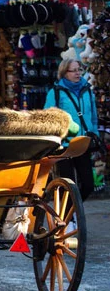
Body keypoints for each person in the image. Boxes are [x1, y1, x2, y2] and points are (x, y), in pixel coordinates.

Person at [43, 58, 98, 201]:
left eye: (79, 69)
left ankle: (72, 211)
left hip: (82, 143)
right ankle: (69, 220)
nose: (77, 73)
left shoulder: (87, 90)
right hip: (64, 145)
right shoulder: (55, 93)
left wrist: (95, 135)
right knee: (67, 186)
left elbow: (93, 116)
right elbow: (48, 119)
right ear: (64, 72)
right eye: (73, 70)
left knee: (88, 185)